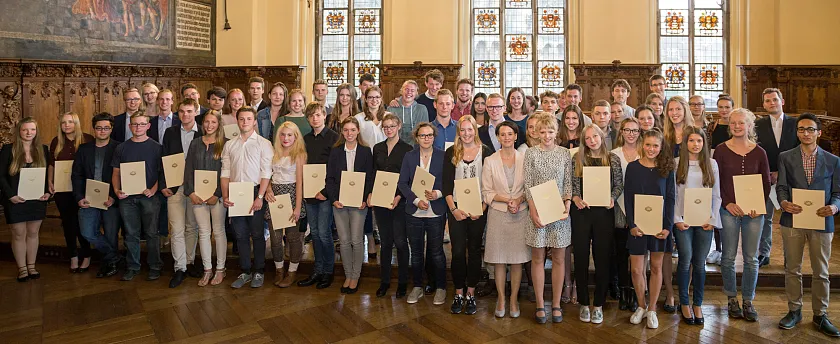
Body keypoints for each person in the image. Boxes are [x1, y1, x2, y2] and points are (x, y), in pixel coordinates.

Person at [776, 113, 840, 337]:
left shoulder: (833, 160)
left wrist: (834, 207)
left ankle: (820, 315)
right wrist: (784, 203)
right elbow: (781, 187)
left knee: (821, 271)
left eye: (810, 129)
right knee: (792, 268)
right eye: (801, 129)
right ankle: (794, 310)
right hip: (793, 220)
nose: (806, 133)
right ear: (797, 132)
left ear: (819, 133)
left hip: (822, 221)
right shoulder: (785, 157)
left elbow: (838, 193)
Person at [713, 108, 771, 322]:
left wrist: (758, 205)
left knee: (751, 258)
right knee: (727, 257)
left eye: (741, 123)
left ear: (749, 126)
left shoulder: (759, 152)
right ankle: (731, 298)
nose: (737, 126)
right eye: (733, 123)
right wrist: (728, 203)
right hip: (728, 210)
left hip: (754, 213)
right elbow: (716, 181)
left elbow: (765, 183)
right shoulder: (720, 150)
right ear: (729, 126)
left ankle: (748, 299)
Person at [570, 124, 623, 324]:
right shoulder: (577, 158)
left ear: (602, 137)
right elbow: (573, 184)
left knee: (602, 257)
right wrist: (576, 198)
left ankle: (598, 303)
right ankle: (584, 303)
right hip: (582, 212)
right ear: (584, 140)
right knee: (582, 257)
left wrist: (612, 197)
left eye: (595, 136)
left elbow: (619, 184)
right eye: (588, 138)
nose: (592, 140)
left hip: (604, 213)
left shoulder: (612, 159)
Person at [523, 115, 573, 324]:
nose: (546, 136)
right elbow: (528, 184)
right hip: (537, 212)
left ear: (556, 132)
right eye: (542, 132)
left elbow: (568, 183)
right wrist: (533, 211)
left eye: (550, 131)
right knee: (538, 258)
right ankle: (540, 303)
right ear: (536, 133)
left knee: (560, 259)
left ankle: (556, 304)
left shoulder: (564, 154)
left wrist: (567, 205)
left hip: (559, 213)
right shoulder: (530, 153)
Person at [625, 128, 676, 329]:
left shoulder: (667, 169)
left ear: (661, 147)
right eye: (648, 145)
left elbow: (671, 198)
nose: (651, 149)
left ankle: (652, 309)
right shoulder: (632, 168)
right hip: (638, 226)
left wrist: (667, 226)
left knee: (655, 267)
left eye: (655, 145)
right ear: (641, 145)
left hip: (658, 228)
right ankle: (641, 305)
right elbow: (628, 198)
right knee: (637, 269)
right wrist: (632, 225)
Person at [443, 115, 491, 315]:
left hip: (479, 210)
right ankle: (459, 291)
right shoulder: (451, 152)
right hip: (457, 210)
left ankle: (471, 292)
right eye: (462, 130)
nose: (466, 133)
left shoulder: (486, 152)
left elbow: (490, 184)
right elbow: (445, 185)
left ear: (475, 130)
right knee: (458, 252)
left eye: (470, 129)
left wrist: (482, 208)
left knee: (473, 251)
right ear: (458, 132)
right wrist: (454, 210)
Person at [673, 126, 722, 325]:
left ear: (704, 143)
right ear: (685, 144)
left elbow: (716, 195)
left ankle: (698, 303)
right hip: (683, 220)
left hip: (704, 221)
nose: (695, 144)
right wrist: (677, 219)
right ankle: (684, 302)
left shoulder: (712, 164)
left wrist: (712, 219)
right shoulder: (677, 164)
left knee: (700, 264)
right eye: (691, 141)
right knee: (685, 260)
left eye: (699, 141)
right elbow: (674, 195)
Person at [482, 121, 530, 318]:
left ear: (516, 136)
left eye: (510, 134)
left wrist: (518, 200)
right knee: (499, 261)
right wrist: (508, 200)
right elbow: (486, 191)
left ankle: (513, 299)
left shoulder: (525, 158)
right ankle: (501, 298)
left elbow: (530, 186)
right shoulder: (490, 160)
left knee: (517, 261)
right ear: (498, 137)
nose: (507, 137)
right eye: (503, 134)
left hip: (520, 213)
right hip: (498, 214)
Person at [222, 107, 273, 289]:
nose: (245, 122)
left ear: (254, 121)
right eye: (242, 119)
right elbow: (225, 172)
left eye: (248, 119)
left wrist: (260, 196)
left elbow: (266, 172)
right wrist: (226, 194)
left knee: (257, 234)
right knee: (241, 235)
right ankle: (245, 271)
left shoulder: (263, 144)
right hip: (235, 193)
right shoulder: (230, 145)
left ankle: (259, 271)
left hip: (255, 192)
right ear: (237, 121)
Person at [111, 110, 163, 282]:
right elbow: (116, 172)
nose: (138, 127)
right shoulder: (121, 147)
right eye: (135, 124)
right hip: (127, 198)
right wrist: (117, 190)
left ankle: (154, 266)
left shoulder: (156, 147)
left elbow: (161, 173)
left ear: (148, 126)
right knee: (131, 234)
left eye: (142, 124)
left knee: (151, 233)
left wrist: (154, 189)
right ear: (129, 126)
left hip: (149, 197)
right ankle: (133, 266)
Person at [398, 122, 447, 305]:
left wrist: (438, 194)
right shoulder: (409, 156)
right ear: (416, 138)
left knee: (436, 252)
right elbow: (402, 183)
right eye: (422, 136)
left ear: (434, 137)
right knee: (416, 253)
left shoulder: (443, 156)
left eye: (429, 135)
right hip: (414, 212)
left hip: (436, 211)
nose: (426, 139)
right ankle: (417, 287)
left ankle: (441, 288)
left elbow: (448, 181)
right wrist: (416, 200)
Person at [0, 117, 50, 281]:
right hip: (15, 199)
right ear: (19, 131)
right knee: (19, 234)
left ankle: (32, 266)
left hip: (37, 199)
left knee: (33, 232)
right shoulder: (8, 149)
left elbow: (47, 176)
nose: (29, 133)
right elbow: (1, 176)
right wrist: (10, 195)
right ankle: (22, 268)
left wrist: (47, 193)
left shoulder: (43, 149)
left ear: (36, 132)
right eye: (25, 129)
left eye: (33, 129)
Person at [327, 117, 374, 294]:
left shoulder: (365, 151)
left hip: (359, 204)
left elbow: (369, 178)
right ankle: (348, 275)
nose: (349, 133)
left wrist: (364, 199)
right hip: (339, 203)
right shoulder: (336, 152)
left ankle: (356, 275)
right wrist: (333, 199)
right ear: (342, 132)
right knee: (345, 242)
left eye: (352, 130)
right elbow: (330, 179)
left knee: (356, 239)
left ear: (358, 131)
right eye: (346, 130)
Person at [183, 110, 229, 287]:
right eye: (207, 122)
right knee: (203, 232)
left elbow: (226, 172)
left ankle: (220, 269)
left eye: (213, 122)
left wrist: (217, 194)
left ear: (219, 124)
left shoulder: (225, 144)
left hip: (216, 197)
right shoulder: (195, 144)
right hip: (197, 196)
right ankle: (207, 269)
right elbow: (188, 170)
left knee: (218, 231)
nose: (209, 126)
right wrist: (191, 193)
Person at [370, 113, 413, 298]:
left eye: (391, 126)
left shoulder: (408, 149)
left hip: (399, 201)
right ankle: (384, 281)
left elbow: (410, 178)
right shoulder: (377, 148)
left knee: (401, 242)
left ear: (399, 126)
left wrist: (399, 196)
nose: (388, 129)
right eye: (385, 127)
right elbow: (373, 173)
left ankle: (402, 282)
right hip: (380, 201)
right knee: (386, 243)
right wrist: (370, 193)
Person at [160, 98, 202, 288]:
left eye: (189, 111)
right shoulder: (170, 133)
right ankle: (180, 268)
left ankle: (190, 262)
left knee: (192, 227)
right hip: (174, 187)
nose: (186, 115)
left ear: (196, 112)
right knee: (176, 229)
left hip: (196, 188)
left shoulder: (203, 131)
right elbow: (163, 159)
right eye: (182, 111)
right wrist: (163, 184)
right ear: (178, 113)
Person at [297, 103, 340, 289]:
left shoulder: (334, 138)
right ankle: (318, 270)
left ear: (325, 116)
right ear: (308, 119)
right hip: (309, 193)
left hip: (325, 193)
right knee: (314, 233)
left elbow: (336, 168)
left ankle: (328, 271)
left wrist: (325, 191)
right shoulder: (304, 139)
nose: (315, 118)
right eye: (311, 116)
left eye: (318, 115)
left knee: (324, 233)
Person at [756, 88, 799, 268]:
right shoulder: (758, 125)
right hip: (766, 178)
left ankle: (792, 256)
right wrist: (769, 173)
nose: (771, 103)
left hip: (792, 178)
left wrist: (782, 173)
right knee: (764, 217)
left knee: (792, 217)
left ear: (782, 101)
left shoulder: (796, 124)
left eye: (774, 99)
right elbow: (756, 151)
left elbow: (799, 151)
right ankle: (764, 253)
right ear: (764, 105)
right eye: (767, 101)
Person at [74, 113, 121, 278]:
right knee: (87, 232)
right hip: (89, 199)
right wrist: (79, 197)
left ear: (111, 129)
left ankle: (109, 263)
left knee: (111, 233)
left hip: (111, 199)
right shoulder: (84, 149)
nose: (102, 131)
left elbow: (123, 175)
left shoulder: (119, 147)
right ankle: (112, 256)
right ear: (94, 129)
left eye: (106, 128)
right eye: (99, 128)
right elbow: (77, 175)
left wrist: (114, 196)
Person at [49, 112, 94, 273]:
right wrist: (50, 181)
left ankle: (87, 254)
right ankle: (73, 255)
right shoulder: (56, 142)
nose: (66, 125)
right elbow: (52, 164)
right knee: (68, 223)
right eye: (63, 122)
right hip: (62, 189)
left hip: (82, 189)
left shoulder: (87, 139)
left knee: (82, 222)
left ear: (76, 123)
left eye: (70, 122)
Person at [266, 121, 308, 288]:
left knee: (293, 238)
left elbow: (300, 183)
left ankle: (292, 271)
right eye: (283, 134)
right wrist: (268, 188)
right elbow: (267, 174)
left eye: (290, 135)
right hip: (275, 197)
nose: (286, 138)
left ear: (296, 136)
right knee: (275, 239)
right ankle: (279, 269)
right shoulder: (273, 152)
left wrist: (297, 207)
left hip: (291, 195)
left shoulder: (299, 154)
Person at [610, 117, 641, 311]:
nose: (631, 134)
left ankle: (637, 291)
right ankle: (624, 291)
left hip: (641, 208)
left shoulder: (646, 151)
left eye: (635, 130)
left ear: (640, 133)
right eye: (627, 130)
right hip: (619, 208)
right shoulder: (613, 154)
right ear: (621, 132)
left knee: (638, 254)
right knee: (621, 252)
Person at [387, 80, 428, 145]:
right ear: (401, 91)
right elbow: (388, 131)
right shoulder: (391, 109)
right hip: (395, 147)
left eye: (412, 90)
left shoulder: (422, 109)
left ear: (416, 93)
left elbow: (425, 131)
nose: (409, 92)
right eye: (406, 89)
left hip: (416, 148)